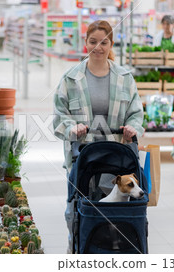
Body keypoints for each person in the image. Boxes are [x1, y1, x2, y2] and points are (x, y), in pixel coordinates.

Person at [53, 20, 144, 253]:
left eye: (104, 42)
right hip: (83, 156)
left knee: (117, 212)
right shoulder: (70, 78)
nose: (98, 47)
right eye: (93, 42)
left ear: (111, 44)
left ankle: (116, 251)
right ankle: (80, 248)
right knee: (77, 208)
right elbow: (59, 115)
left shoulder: (125, 77)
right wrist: (72, 128)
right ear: (85, 43)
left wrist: (133, 128)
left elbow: (136, 113)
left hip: (117, 156)